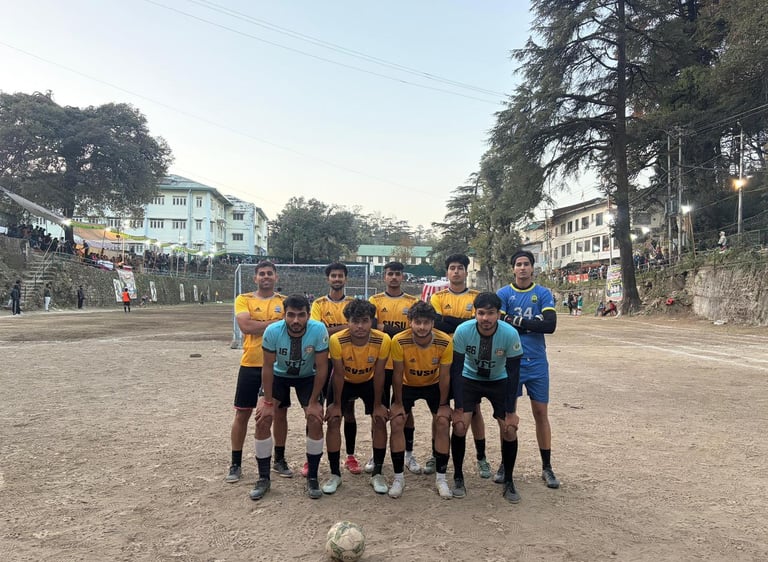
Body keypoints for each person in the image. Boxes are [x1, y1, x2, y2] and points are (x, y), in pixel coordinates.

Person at [251, 294, 330, 500]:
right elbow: (267, 367)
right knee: (262, 418)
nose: (296, 320)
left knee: (315, 419)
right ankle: (263, 478)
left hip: (308, 377)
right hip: (278, 376)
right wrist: (267, 402)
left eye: (301, 315)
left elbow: (322, 367)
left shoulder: (319, 330)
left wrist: (313, 402)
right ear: (284, 315)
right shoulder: (272, 331)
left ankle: (312, 477)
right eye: (291, 315)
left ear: (308, 315)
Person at [450, 292, 524, 502]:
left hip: (499, 380)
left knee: (509, 429)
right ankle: (458, 477)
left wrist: (511, 411)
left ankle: (508, 480)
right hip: (469, 379)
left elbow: (514, 374)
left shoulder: (510, 334)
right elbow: (456, 370)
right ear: (475, 314)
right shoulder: (463, 331)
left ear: (498, 314)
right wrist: (458, 407)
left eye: (491, 313)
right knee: (460, 426)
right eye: (481, 313)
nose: (485, 318)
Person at [496, 250, 560, 490]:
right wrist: (534, 324)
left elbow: (550, 325)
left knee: (541, 413)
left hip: (537, 362)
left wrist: (517, 322)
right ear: (513, 269)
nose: (522, 268)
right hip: (510, 362)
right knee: (507, 415)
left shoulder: (542, 293)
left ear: (532, 268)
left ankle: (547, 467)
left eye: (526, 264)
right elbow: (500, 324)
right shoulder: (503, 294)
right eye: (518, 264)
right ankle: (505, 464)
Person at [430, 253, 491, 479]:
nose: (456, 271)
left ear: (466, 271)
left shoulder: (476, 297)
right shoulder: (437, 297)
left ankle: (481, 457)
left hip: (470, 358)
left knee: (474, 410)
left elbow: (480, 323)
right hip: (445, 358)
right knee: (440, 409)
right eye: (452, 268)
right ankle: (436, 454)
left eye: (460, 268)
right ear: (447, 272)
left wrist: (450, 321)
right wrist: (466, 322)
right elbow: (437, 323)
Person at [322, 299, 390, 495]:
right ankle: (335, 474)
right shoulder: (337, 340)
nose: (360, 326)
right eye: (355, 321)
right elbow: (338, 374)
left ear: (372, 321)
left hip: (369, 380)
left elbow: (379, 373)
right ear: (348, 321)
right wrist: (336, 404)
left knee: (379, 419)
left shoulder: (383, 339)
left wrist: (377, 405)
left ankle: (377, 473)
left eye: (365, 321)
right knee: (334, 420)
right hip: (344, 381)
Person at [226, 261, 284, 484]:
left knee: (279, 413)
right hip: (250, 364)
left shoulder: (284, 301)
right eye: (262, 274)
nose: (265, 277)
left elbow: (290, 327)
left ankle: (279, 459)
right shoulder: (244, 299)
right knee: (242, 414)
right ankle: (236, 463)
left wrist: (259, 324)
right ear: (255, 278)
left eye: (269, 273)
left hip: (277, 366)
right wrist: (276, 324)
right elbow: (246, 327)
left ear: (276, 277)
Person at [389, 301, 454, 499]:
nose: (422, 327)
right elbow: (397, 374)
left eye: (426, 322)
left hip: (433, 384)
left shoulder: (445, 341)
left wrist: (444, 405)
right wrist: (398, 403)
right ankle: (398, 477)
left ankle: (441, 478)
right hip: (407, 384)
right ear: (410, 322)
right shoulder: (399, 340)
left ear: (433, 323)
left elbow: (445, 376)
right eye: (418, 322)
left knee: (443, 422)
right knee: (397, 421)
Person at [368, 261, 419, 473]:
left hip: (403, 364)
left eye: (398, 273)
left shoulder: (413, 301)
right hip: (380, 363)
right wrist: (398, 332)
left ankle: (409, 454)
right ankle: (376, 454)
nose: (394, 277)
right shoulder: (375, 300)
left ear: (403, 277)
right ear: (384, 276)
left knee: (405, 410)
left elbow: (415, 329)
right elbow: (372, 325)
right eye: (390, 273)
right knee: (378, 410)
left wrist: (385, 328)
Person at [311, 263, 357, 475]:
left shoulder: (353, 303)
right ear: (328, 279)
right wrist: (347, 327)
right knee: (317, 410)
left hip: (348, 361)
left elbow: (359, 330)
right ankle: (312, 458)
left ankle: (350, 456)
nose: (337, 279)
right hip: (323, 361)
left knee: (347, 410)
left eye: (340, 275)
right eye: (333, 276)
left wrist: (331, 330)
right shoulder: (318, 304)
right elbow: (317, 332)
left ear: (345, 279)